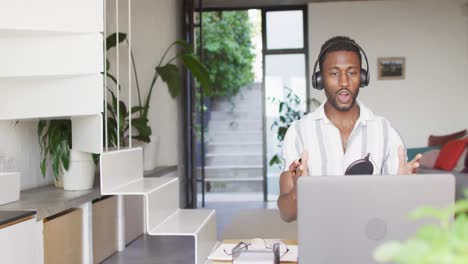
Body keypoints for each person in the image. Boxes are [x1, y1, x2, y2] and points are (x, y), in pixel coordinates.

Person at [277, 36, 422, 222]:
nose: (344, 82)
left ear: (362, 78)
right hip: (321, 243)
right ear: (319, 79)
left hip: (373, 242)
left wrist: (404, 187)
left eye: (352, 73)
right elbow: (286, 214)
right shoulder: (299, 132)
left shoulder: (385, 131)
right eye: (334, 73)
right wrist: (299, 190)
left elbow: (402, 210)